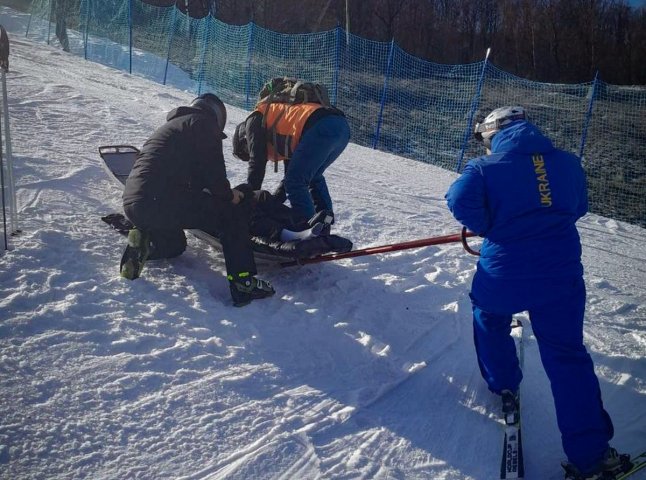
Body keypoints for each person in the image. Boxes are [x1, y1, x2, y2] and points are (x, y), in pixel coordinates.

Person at [445, 106, 632, 479]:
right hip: (560, 275)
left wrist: (491, 226)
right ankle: (592, 456)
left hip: (505, 273)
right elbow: (577, 206)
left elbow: (457, 200)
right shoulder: (567, 162)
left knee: (488, 315)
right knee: (567, 355)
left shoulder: (483, 169)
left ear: (494, 133)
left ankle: (502, 382)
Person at [121, 93, 275, 307]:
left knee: (176, 246)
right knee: (231, 214)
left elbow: (192, 179)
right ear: (217, 115)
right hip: (159, 200)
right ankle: (243, 282)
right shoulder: (202, 125)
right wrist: (232, 195)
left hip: (135, 203)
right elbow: (215, 177)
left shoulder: (172, 127)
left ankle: (148, 242)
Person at [231, 91, 350, 227]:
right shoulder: (283, 132)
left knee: (296, 182)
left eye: (247, 152)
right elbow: (287, 178)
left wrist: (249, 200)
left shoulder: (253, 122)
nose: (250, 153)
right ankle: (324, 223)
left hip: (320, 126)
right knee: (312, 176)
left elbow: (257, 162)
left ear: (244, 141)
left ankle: (307, 230)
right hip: (340, 127)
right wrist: (272, 202)